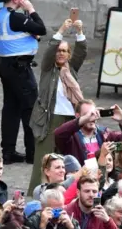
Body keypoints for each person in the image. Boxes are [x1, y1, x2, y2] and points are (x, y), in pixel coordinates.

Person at [28, 18, 88, 195]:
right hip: (49, 119)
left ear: (68, 55)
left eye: (64, 51)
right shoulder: (48, 68)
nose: (61, 54)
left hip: (70, 119)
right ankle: (37, 194)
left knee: (68, 160)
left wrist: (79, 32)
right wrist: (62, 29)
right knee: (44, 159)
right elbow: (48, 51)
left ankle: (67, 193)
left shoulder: (72, 68)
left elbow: (81, 52)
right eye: (58, 51)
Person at [0, 0, 47, 164]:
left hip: (5, 66)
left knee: (10, 109)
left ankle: (8, 152)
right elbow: (41, 28)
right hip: (20, 69)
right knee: (30, 109)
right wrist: (31, 10)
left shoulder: (0, 16)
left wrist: (31, 35)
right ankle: (32, 153)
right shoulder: (16, 17)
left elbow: (23, 33)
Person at [54, 100, 122, 166]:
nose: (92, 117)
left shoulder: (105, 135)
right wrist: (85, 119)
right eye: (88, 114)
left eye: (94, 114)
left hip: (104, 181)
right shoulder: (71, 138)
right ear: (77, 116)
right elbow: (58, 134)